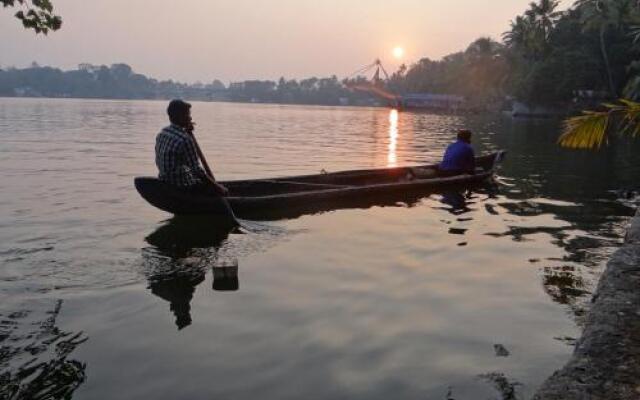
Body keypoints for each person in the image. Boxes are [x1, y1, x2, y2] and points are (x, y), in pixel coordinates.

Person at [155, 99, 228, 196]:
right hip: (182, 186)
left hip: (165, 180)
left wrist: (186, 130)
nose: (190, 118)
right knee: (213, 187)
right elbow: (197, 171)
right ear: (180, 117)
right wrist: (218, 187)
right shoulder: (185, 139)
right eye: (187, 115)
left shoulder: (163, 133)